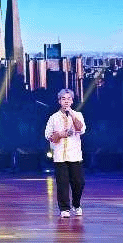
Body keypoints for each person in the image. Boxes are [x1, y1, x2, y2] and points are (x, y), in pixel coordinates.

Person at [44, 88, 87, 218]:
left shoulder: (78, 115)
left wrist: (72, 114)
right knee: (62, 183)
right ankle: (64, 208)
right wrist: (61, 134)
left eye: (69, 99)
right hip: (60, 156)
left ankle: (76, 204)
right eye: (63, 99)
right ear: (59, 101)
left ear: (72, 101)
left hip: (75, 155)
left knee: (79, 182)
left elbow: (81, 129)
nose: (66, 101)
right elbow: (48, 135)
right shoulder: (53, 117)